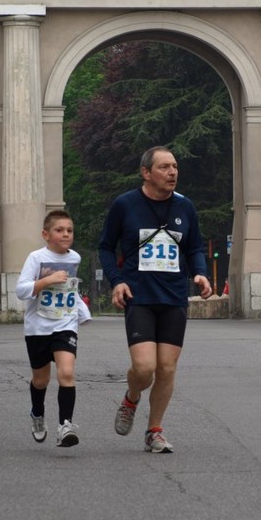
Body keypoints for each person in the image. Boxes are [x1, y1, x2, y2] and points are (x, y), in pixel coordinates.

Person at [98, 146, 212, 453]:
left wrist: (200, 274)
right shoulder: (125, 205)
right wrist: (117, 281)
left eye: (175, 166)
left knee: (167, 368)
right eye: (164, 167)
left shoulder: (185, 207)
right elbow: (106, 247)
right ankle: (132, 397)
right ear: (146, 173)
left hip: (174, 297)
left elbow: (194, 248)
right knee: (144, 368)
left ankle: (154, 430)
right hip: (139, 296)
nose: (172, 172)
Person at [16, 210, 91, 448]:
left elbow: (70, 289)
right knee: (41, 380)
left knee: (66, 373)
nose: (66, 234)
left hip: (65, 324)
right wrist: (48, 280)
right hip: (38, 327)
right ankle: (37, 413)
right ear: (46, 234)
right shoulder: (36, 258)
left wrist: (81, 311)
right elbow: (21, 290)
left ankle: (65, 425)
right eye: (59, 230)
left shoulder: (75, 258)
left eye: (69, 230)